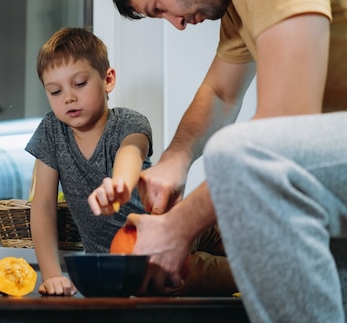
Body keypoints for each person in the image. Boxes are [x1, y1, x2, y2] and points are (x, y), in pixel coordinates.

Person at [91, 0, 347, 322]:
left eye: (159, 7)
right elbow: (221, 91)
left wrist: (177, 229)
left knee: (243, 153)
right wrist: (175, 160)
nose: (176, 24)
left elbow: (282, 134)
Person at [25, 27, 235, 297]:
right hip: (137, 261)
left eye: (79, 84)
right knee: (238, 276)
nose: (68, 97)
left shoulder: (129, 122)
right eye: (55, 91)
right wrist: (52, 275)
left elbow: (130, 154)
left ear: (108, 79)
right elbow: (42, 206)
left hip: (169, 224)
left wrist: (119, 184)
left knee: (248, 239)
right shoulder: (51, 131)